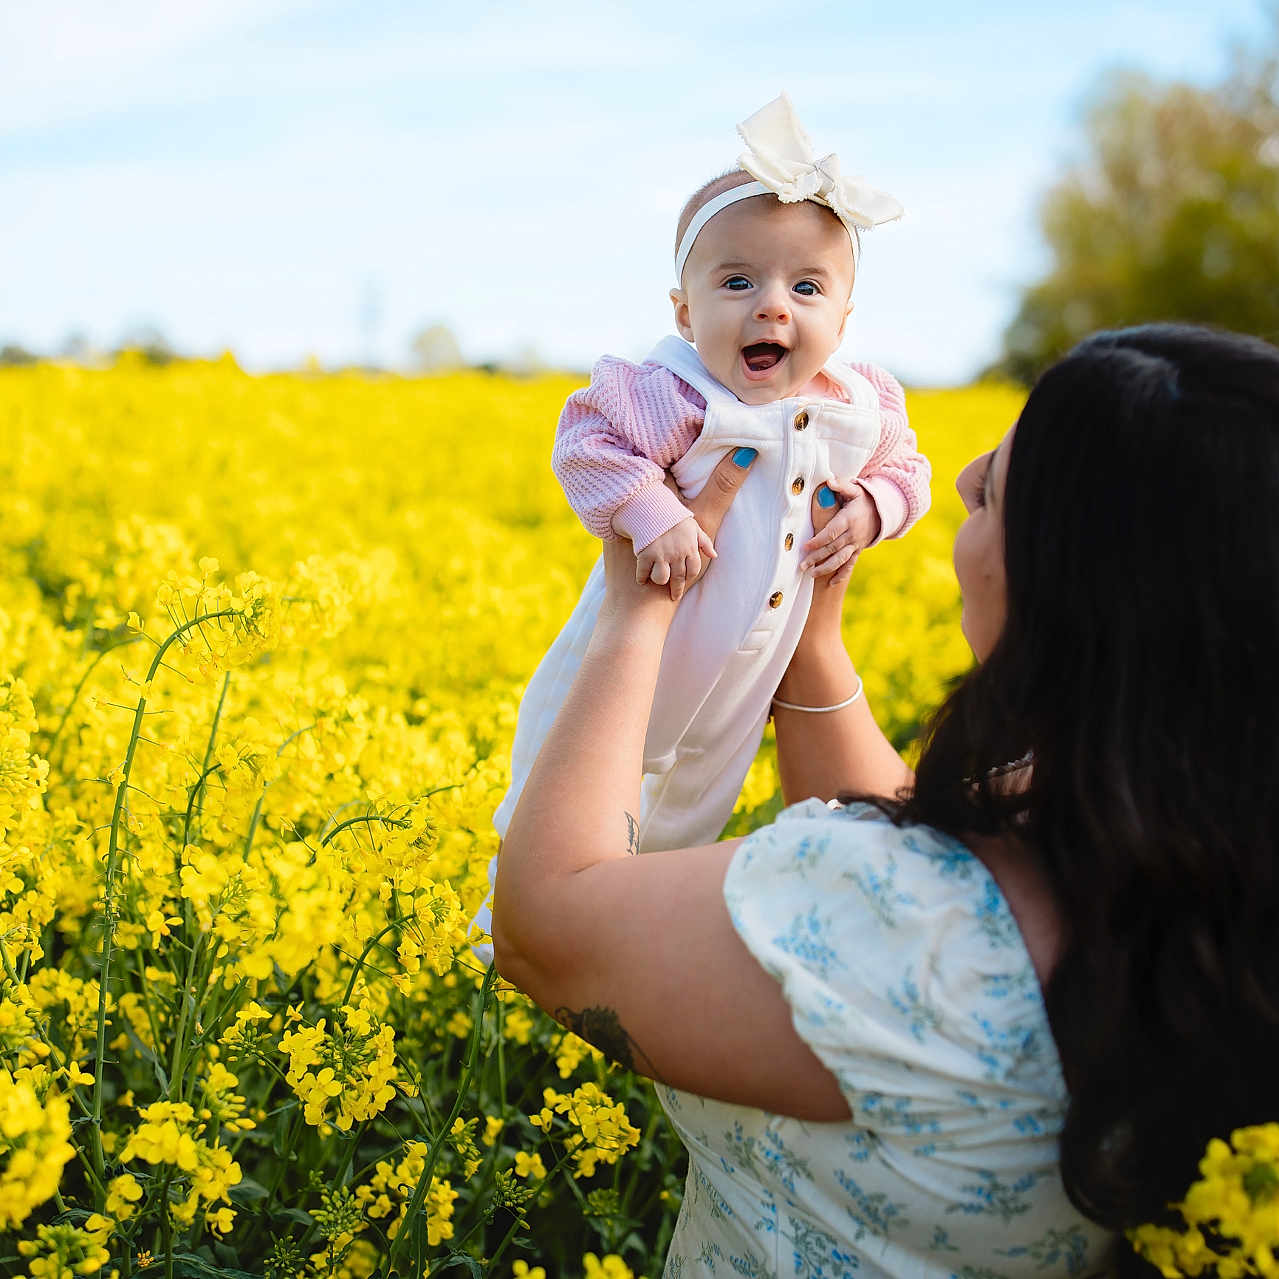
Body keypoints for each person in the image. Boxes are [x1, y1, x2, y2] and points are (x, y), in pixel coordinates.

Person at [492, 324, 1279, 1277]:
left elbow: (546, 924)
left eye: (994, 488)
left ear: (1079, 591)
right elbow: (926, 853)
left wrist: (637, 610)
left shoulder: (920, 936)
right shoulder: (1187, 832)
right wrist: (811, 638)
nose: (958, 480)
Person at [470, 95, 929, 957]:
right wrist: (650, 516)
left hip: (741, 684)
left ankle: (616, 942)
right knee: (567, 783)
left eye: (806, 287)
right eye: (737, 282)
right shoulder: (676, 393)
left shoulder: (861, 406)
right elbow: (586, 441)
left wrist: (872, 509)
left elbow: (908, 470)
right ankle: (509, 930)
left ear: (843, 320)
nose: (771, 308)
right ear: (684, 315)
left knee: (689, 806)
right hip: (638, 657)